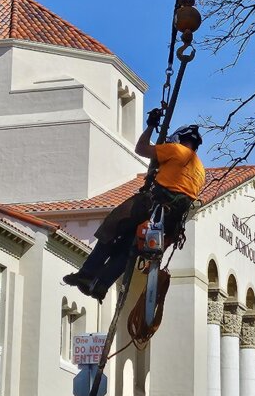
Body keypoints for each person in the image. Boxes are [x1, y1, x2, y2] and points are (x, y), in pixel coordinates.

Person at [63, 110, 204, 301]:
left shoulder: (176, 150)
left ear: (179, 139)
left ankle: (87, 274)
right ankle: (101, 286)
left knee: (112, 227)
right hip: (171, 223)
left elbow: (141, 149)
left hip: (153, 206)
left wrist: (151, 126)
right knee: (129, 245)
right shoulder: (200, 169)